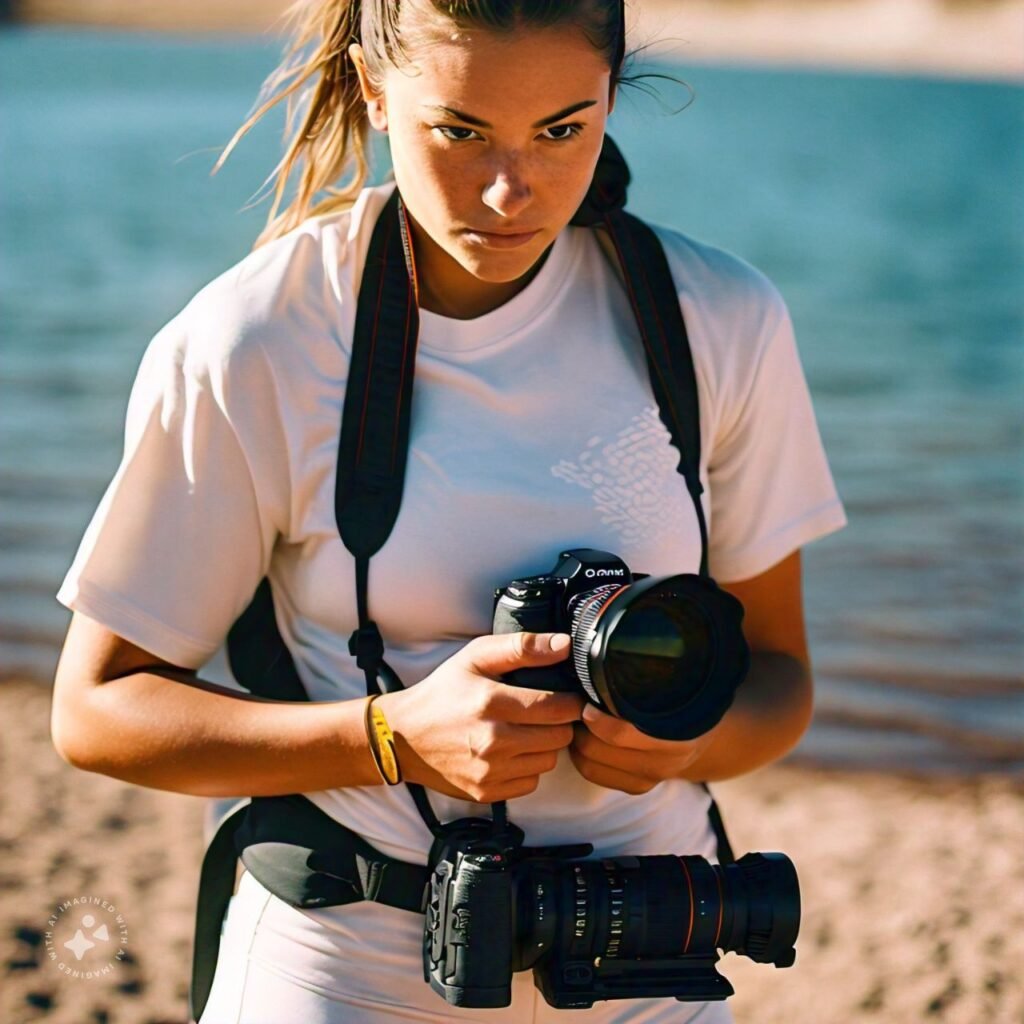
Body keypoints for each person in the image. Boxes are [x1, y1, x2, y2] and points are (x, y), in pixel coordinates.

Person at [49, 1, 847, 1022]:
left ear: (611, 100)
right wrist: (389, 737)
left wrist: (683, 746)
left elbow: (778, 683)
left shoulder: (718, 320)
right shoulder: (256, 342)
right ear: (374, 90)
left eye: (563, 129)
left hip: (650, 953)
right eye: (459, 131)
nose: (512, 188)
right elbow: (99, 708)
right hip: (347, 958)